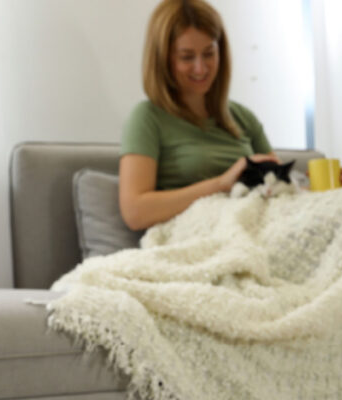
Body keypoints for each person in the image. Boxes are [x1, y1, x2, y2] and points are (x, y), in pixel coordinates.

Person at [118, 0, 279, 231]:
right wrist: (221, 184)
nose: (200, 68)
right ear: (163, 59)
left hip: (258, 225)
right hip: (200, 233)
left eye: (208, 54)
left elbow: (282, 186)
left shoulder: (242, 117)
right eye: (186, 57)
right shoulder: (147, 119)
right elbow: (135, 212)